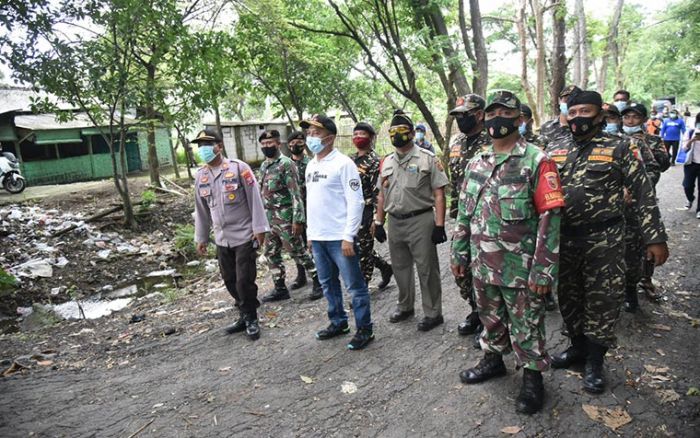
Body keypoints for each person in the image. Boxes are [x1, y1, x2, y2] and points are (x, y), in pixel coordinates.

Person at [546, 90, 669, 394]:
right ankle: (577, 348)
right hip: (565, 239)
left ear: (599, 115)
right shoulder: (554, 147)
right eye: (573, 113)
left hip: (605, 238)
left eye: (585, 112)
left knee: (602, 300)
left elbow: (643, 194)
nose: (578, 119)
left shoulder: (620, 147)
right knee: (570, 297)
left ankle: (595, 362)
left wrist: (655, 238)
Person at [451, 90, 565, 415]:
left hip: (521, 267)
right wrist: (459, 253)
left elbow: (550, 218)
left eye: (504, 113)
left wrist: (544, 270)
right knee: (490, 318)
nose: (496, 118)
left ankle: (532, 378)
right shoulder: (477, 161)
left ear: (518, 119)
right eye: (490, 113)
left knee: (527, 324)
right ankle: (493, 361)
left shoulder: (538, 160)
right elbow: (464, 213)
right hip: (482, 264)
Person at [301, 114, 374, 350]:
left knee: (354, 285)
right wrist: (311, 234)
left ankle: (364, 328)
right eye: (309, 132)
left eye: (316, 133)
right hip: (319, 238)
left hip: (339, 238)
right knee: (327, 283)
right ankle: (338, 322)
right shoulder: (311, 164)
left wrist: (348, 236)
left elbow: (356, 202)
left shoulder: (343, 164)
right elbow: (311, 202)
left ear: (330, 138)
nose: (310, 137)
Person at [374, 110, 449, 332]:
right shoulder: (386, 161)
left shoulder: (427, 158)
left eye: (402, 130)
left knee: (427, 269)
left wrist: (439, 225)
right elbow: (381, 194)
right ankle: (405, 305)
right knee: (400, 267)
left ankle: (433, 312)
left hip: (421, 220)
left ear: (410, 132)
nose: (398, 135)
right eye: (393, 131)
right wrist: (379, 222)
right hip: (395, 222)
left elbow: (439, 193)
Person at [192, 129, 270, 341]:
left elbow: (255, 199)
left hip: (245, 235)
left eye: (207, 144)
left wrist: (260, 229)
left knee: (244, 280)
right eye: (199, 145)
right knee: (229, 279)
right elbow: (201, 209)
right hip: (221, 238)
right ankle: (244, 313)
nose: (203, 149)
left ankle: (251, 317)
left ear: (220, 146)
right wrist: (201, 237)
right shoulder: (201, 176)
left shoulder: (239, 168)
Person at [257, 130, 323, 302]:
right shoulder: (264, 166)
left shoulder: (286, 164)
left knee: (298, 251)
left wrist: (298, 219)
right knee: (271, 253)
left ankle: (319, 282)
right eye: (263, 144)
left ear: (278, 144)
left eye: (270, 143)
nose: (266, 147)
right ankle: (280, 288)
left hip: (286, 218)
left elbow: (296, 194)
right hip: (269, 218)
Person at [446, 94, 490, 341]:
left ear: (480, 114)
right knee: (461, 271)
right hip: (463, 219)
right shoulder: (456, 143)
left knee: (485, 272)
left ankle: (489, 321)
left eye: (465, 114)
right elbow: (455, 181)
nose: (460, 119)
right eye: (457, 116)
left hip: (487, 218)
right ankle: (475, 310)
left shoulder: (494, 141)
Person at [349, 122, 394, 289]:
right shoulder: (350, 160)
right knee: (358, 247)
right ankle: (385, 267)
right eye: (355, 134)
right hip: (351, 210)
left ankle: (362, 288)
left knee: (362, 250)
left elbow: (379, 192)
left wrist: (377, 219)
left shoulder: (376, 162)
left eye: (362, 134)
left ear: (371, 137)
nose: (357, 137)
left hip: (367, 211)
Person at [287, 130, 312, 290]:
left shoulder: (311, 163)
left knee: (313, 242)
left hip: (310, 209)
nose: (296, 145)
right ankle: (301, 274)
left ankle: (321, 272)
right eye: (293, 143)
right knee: (296, 243)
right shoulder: (285, 164)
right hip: (292, 211)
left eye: (300, 142)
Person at [539, 85, 582, 149]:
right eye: (567, 100)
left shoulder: (584, 126)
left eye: (574, 101)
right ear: (559, 101)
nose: (569, 104)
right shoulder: (546, 127)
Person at [682, 115, 700, 219]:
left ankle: (699, 210)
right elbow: (684, 149)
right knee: (687, 185)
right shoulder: (690, 132)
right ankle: (690, 198)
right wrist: (691, 140)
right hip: (691, 163)